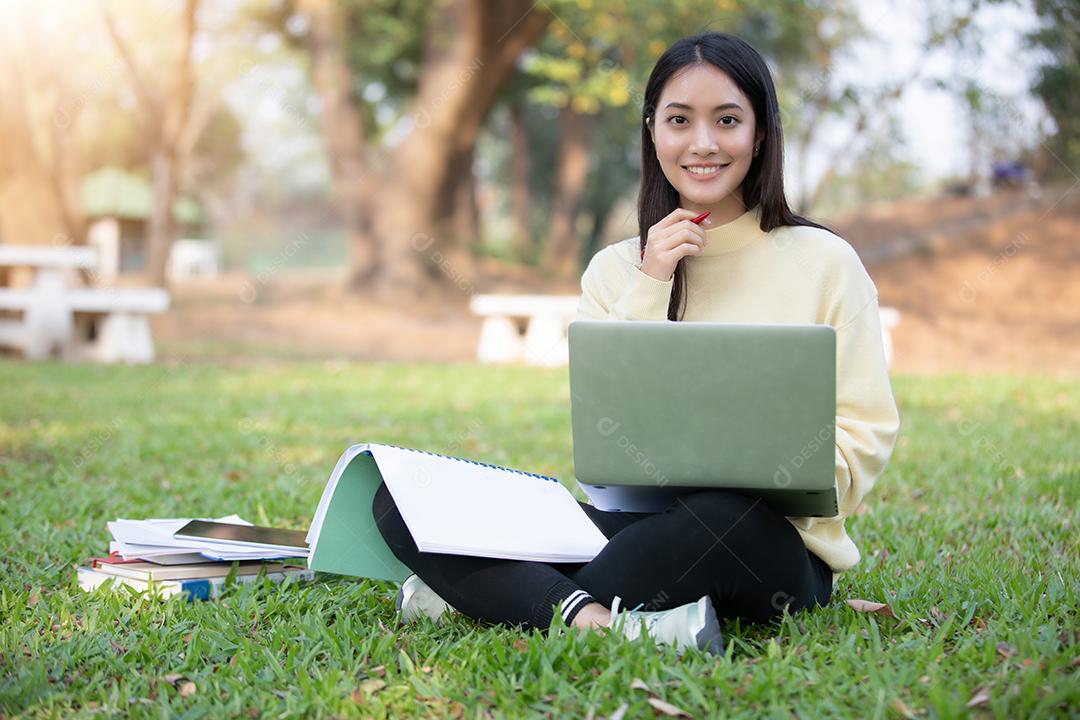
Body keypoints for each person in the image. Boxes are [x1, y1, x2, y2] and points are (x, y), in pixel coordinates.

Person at [372, 31, 900, 655]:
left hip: (766, 542)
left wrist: (784, 471)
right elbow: (607, 431)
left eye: (727, 120)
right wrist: (652, 282)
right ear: (653, 131)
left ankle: (492, 596)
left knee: (715, 517)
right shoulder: (613, 271)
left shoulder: (825, 262)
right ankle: (599, 621)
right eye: (680, 120)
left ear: (760, 135)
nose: (703, 143)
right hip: (631, 527)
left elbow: (866, 430)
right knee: (402, 500)